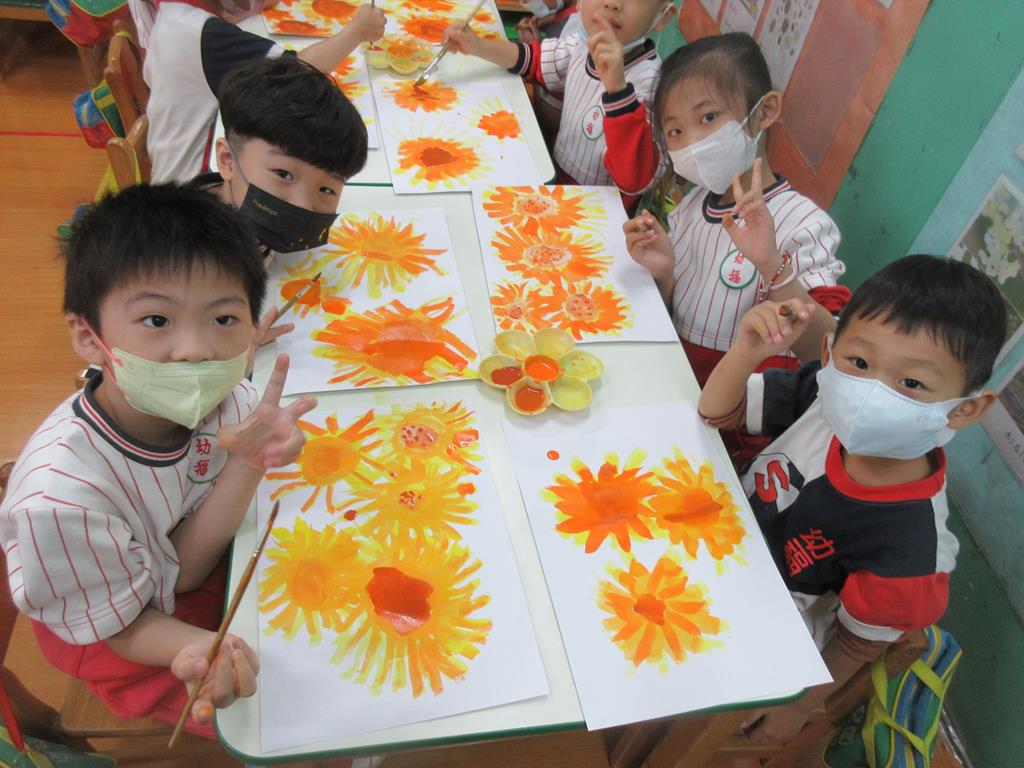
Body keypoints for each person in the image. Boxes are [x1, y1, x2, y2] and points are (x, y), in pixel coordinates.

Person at [0, 184, 316, 737]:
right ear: (89, 337)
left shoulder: (224, 397)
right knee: (283, 718)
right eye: (156, 320)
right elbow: (123, 626)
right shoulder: (60, 504)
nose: (196, 350)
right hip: (112, 621)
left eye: (224, 319)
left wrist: (251, 458)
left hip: (179, 557)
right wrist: (195, 647)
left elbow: (184, 566)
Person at [696, 254, 1007, 743]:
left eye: (911, 383)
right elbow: (716, 413)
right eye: (859, 362)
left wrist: (799, 707)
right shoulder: (825, 398)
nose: (869, 392)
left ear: (966, 409)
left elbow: (857, 645)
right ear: (830, 351)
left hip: (758, 626)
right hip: (711, 543)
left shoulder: (912, 550)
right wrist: (744, 353)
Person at [625, 33, 850, 388]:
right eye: (676, 130)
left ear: (764, 111)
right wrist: (664, 273)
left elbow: (826, 350)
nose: (692, 143)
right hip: (672, 379)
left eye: (708, 117)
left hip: (736, 406)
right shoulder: (691, 205)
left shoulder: (805, 224)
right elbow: (675, 318)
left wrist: (772, 266)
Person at [192, 54, 369, 345]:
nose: (302, 204)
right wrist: (236, 344)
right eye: (283, 174)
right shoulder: (190, 264)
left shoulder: (235, 205)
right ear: (228, 160)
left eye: (326, 189)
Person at [444, 0, 675, 205]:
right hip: (555, 183)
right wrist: (476, 45)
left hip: (599, 212)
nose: (612, 3)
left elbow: (635, 180)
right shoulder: (581, 45)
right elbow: (534, 60)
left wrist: (617, 91)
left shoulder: (655, 88)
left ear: (663, 16)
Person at [142, 0, 384, 183]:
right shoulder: (204, 34)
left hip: (174, 172)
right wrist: (357, 31)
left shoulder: (172, 15)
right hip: (194, 189)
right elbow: (296, 74)